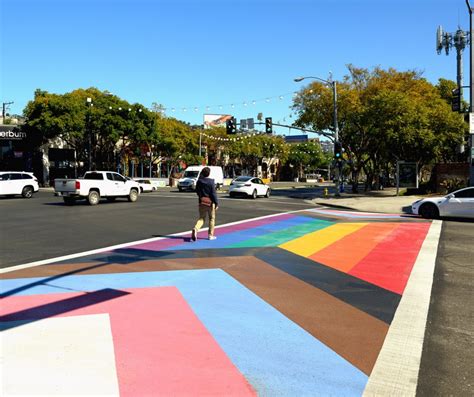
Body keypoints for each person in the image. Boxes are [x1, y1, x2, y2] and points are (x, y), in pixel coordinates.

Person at [191, 167, 219, 241]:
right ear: (209, 173)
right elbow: (213, 194)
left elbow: (197, 191)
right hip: (210, 203)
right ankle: (210, 235)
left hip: (202, 202)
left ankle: (196, 228)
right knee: (211, 219)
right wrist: (216, 203)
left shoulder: (199, 181)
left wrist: (201, 197)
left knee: (202, 218)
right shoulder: (211, 182)